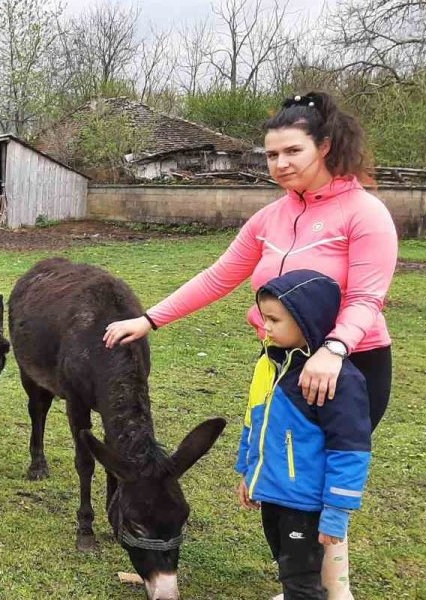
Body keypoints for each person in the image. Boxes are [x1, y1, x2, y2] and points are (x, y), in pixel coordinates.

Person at [102, 91, 396, 597]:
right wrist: (151, 318)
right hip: (281, 365)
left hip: (347, 367)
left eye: (293, 152)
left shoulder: (364, 214)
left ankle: (326, 588)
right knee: (287, 481)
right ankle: (310, 582)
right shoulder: (269, 218)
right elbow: (219, 276)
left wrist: (335, 349)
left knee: (318, 481)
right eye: (271, 155)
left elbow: (369, 296)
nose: (280, 165)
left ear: (324, 147)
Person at [236, 270, 370, 600]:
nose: (264, 327)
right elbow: (254, 423)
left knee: (302, 585)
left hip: (306, 506)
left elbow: (350, 450)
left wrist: (337, 512)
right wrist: (249, 474)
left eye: (274, 319)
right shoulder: (269, 363)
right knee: (290, 569)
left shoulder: (337, 380)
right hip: (274, 497)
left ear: (306, 319)